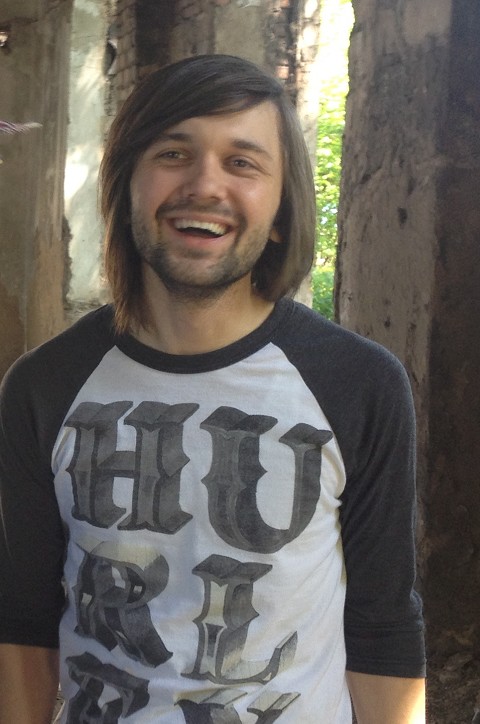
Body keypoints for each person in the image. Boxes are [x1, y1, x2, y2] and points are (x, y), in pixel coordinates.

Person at [0, 54, 425, 723]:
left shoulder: (358, 384)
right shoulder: (44, 385)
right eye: (173, 153)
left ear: (280, 211)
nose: (204, 184)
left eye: (242, 162)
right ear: (126, 185)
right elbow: (23, 619)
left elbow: (383, 622)